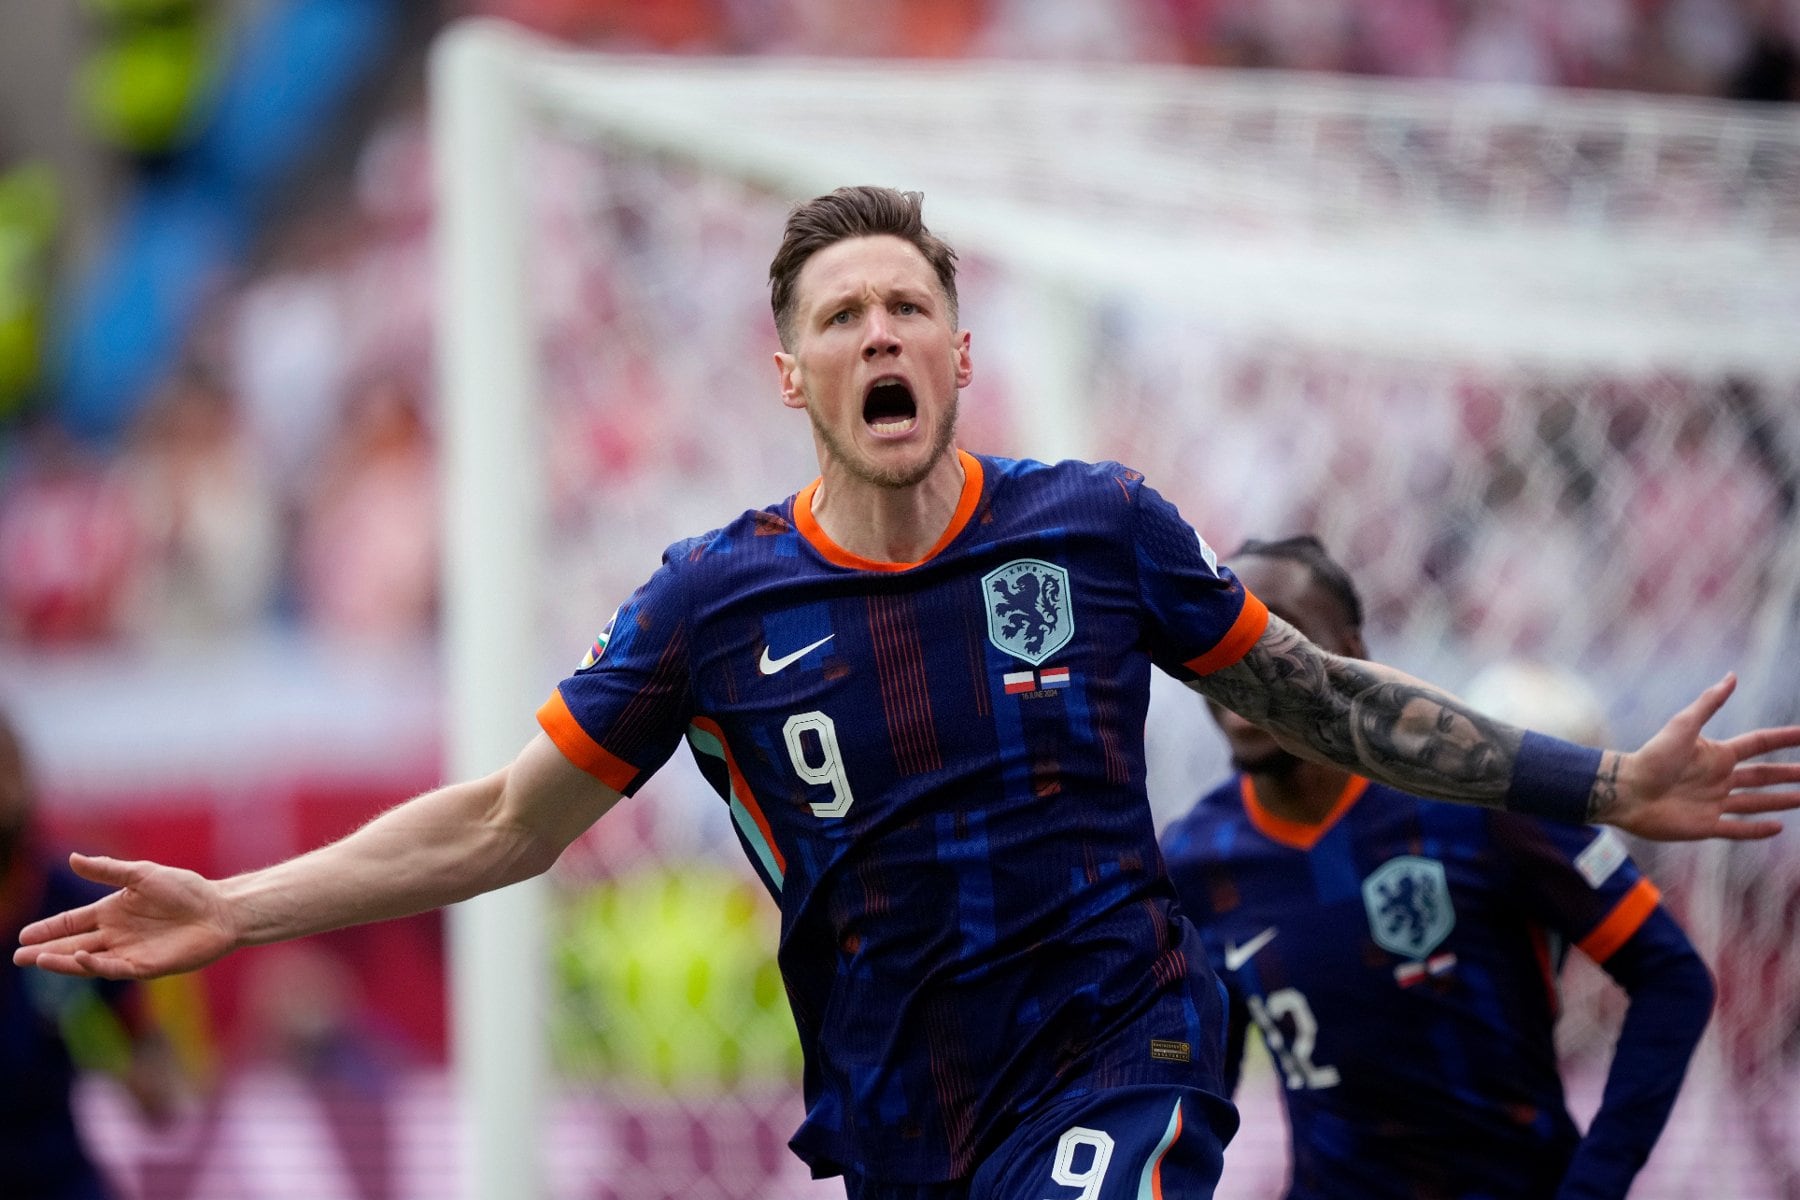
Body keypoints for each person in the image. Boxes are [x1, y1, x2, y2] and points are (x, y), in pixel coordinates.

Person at [14, 186, 1800, 1200]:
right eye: (842, 315)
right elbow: (503, 822)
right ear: (790, 374)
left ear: (956, 347)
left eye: (907, 306)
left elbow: (1325, 699)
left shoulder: (1099, 529)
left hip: (1123, 1059)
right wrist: (238, 906)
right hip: (901, 1120)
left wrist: (1595, 786)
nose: (880, 333)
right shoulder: (711, 605)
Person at [1160, 536, 1717, 1199]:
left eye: (1276, 638)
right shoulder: (1195, 863)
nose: (1244, 668)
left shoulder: (1479, 798)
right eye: (1224, 642)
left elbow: (1672, 974)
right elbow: (1199, 1080)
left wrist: (1594, 1185)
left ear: (1350, 656)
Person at [0, 707, 180, 1199]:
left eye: (9, 770)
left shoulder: (78, 907)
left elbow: (155, 1072)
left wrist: (141, 1075)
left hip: (55, 1173)